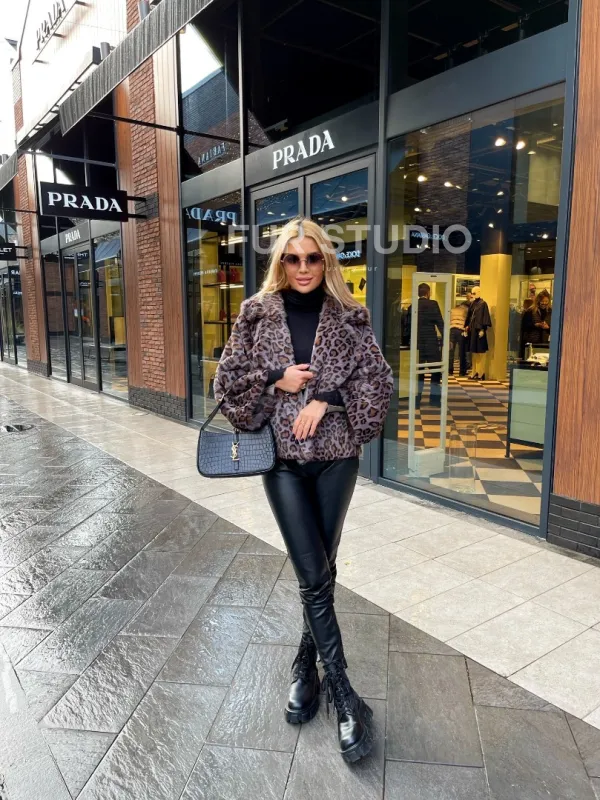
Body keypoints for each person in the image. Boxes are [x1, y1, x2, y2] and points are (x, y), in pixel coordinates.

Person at [214, 218, 393, 764]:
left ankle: (303, 667)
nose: (303, 268)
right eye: (292, 259)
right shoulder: (255, 313)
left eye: (313, 258)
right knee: (313, 574)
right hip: (282, 463)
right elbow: (226, 385)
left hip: (337, 459)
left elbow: (378, 382)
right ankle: (344, 693)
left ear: (326, 261)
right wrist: (276, 379)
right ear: (280, 263)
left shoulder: (350, 315)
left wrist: (327, 398)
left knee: (323, 569)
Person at [413, 283, 444, 407]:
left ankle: (416, 400)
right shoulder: (433, 304)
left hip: (417, 342)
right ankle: (434, 400)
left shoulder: (413, 305)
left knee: (418, 373)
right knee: (435, 371)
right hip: (431, 341)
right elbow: (440, 322)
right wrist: (447, 338)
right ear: (428, 293)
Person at [449, 292, 471, 376]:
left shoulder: (453, 310)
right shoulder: (466, 310)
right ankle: (462, 371)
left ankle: (450, 370)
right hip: (461, 331)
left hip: (452, 330)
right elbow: (467, 321)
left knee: (451, 350)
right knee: (462, 351)